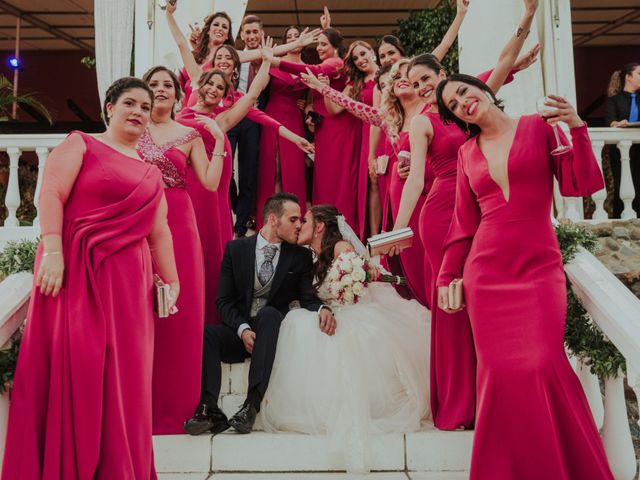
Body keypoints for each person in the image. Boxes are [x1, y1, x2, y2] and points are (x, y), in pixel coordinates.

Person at [435, 74, 613, 480]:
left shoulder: (539, 127)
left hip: (538, 269)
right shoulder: (465, 153)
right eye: (452, 104)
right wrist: (447, 276)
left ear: (483, 91)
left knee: (542, 364)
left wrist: (579, 128)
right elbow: (463, 225)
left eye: (463, 91)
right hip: (487, 274)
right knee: (498, 377)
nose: (461, 101)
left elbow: (579, 184)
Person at [2, 77, 179, 479]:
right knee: (81, 364)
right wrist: (53, 251)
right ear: (109, 107)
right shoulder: (81, 143)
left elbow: (160, 233)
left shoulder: (152, 174)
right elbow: (51, 194)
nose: (137, 112)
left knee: (126, 380)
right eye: (129, 103)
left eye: (145, 108)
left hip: (130, 288)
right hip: (77, 274)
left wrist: (172, 280)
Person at [261, 204, 430, 473]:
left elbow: (355, 288)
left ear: (319, 226)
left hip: (352, 312)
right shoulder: (309, 257)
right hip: (330, 312)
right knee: (296, 322)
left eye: (304, 221)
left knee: (336, 336)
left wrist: (348, 292)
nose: (299, 225)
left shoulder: (341, 249)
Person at [184, 193, 336, 436]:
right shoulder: (236, 249)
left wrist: (322, 309)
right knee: (207, 334)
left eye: (300, 220)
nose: (299, 225)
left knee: (269, 314)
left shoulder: (300, 257)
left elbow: (307, 297)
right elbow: (223, 301)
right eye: (293, 219)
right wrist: (242, 330)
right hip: (242, 331)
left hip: (271, 333)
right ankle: (208, 408)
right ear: (273, 219)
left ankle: (250, 406)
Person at [139, 66, 227, 434]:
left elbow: (208, 183)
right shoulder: (132, 130)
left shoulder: (190, 135)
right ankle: (140, 403)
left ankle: (178, 405)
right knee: (141, 308)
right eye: (153, 84)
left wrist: (219, 140)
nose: (160, 89)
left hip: (179, 223)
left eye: (167, 85)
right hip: (138, 221)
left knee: (179, 311)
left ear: (178, 95)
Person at [265, 28, 362, 230]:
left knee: (338, 180)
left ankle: (340, 229)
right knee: (324, 181)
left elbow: (314, 71)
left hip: (338, 130)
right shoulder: (329, 63)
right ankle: (324, 228)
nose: (319, 47)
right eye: (318, 44)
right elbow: (312, 97)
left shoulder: (335, 63)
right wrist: (310, 112)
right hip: (323, 129)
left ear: (336, 49)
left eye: (324, 44)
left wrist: (275, 61)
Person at [256, 26, 310, 229]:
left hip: (295, 119)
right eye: (290, 37)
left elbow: (314, 96)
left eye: (297, 36)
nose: (294, 39)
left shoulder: (308, 68)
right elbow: (261, 87)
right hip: (273, 114)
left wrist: (306, 104)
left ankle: (293, 216)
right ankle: (272, 214)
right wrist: (266, 61)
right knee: (274, 166)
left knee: (293, 168)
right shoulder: (276, 62)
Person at [605, 62, 640, 217]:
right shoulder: (615, 100)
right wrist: (619, 124)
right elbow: (610, 121)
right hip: (621, 151)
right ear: (628, 77)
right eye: (639, 73)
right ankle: (620, 217)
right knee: (622, 183)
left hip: (639, 148)